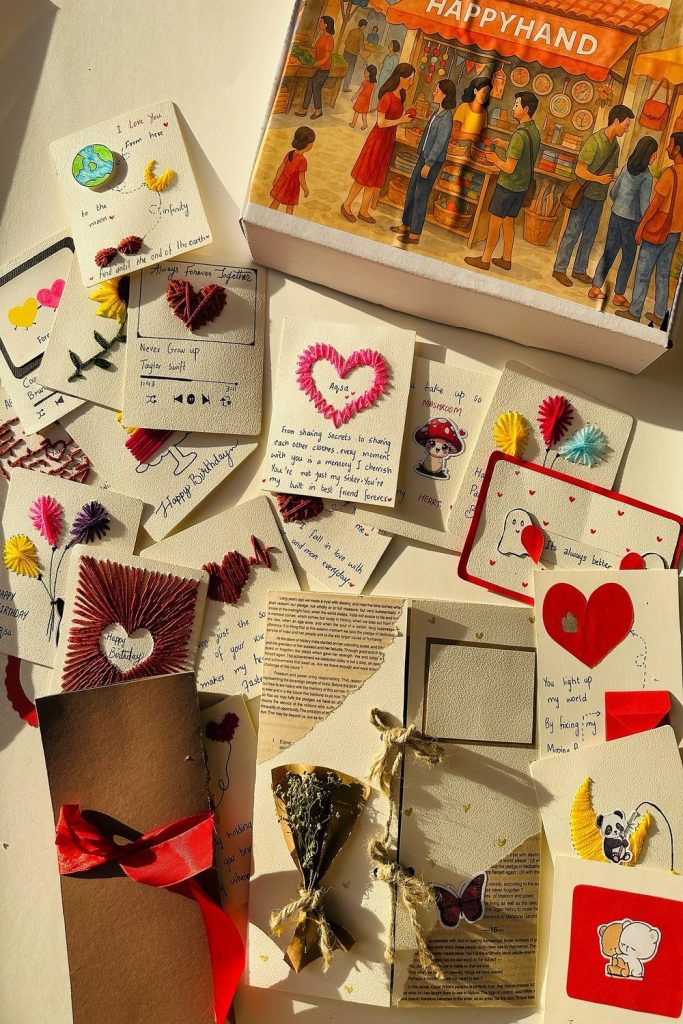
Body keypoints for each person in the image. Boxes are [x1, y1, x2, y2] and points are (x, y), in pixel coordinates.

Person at [553, 104, 634, 287]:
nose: (626, 129)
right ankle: (559, 269)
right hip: (584, 195)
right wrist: (599, 179)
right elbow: (579, 170)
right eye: (626, 125)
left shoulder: (616, 146)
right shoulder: (594, 141)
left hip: (599, 198)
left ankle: (579, 269)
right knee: (573, 232)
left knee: (589, 234)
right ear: (616, 121)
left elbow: (610, 171)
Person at [464, 91, 539, 272]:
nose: (513, 108)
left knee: (494, 223)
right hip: (521, 188)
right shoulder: (533, 131)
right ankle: (506, 259)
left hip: (507, 186)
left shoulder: (520, 135)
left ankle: (485, 259)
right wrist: (505, 143)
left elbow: (509, 167)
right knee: (509, 222)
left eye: (516, 105)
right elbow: (522, 151)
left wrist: (495, 159)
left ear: (525, 109)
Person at [617, 131, 683, 326]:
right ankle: (660, 314)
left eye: (670, 145)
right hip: (675, 232)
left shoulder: (670, 173)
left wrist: (641, 226)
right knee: (662, 273)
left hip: (658, 229)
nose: (667, 148)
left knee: (643, 272)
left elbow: (655, 204)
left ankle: (635, 311)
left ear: (678, 149)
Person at [341, 62, 416, 224]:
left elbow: (395, 118)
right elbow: (381, 123)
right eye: (410, 79)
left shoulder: (401, 96)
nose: (411, 82)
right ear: (401, 78)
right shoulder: (387, 97)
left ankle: (363, 210)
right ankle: (346, 205)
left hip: (387, 141)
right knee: (364, 175)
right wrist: (401, 120)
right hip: (378, 140)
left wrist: (404, 118)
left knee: (374, 178)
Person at [588, 136, 657, 307]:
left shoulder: (626, 168)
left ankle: (595, 288)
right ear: (647, 154)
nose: (655, 156)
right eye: (654, 153)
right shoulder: (647, 177)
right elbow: (644, 207)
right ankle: (618, 296)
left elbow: (613, 193)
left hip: (616, 215)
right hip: (631, 222)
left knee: (609, 252)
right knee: (627, 258)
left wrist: (621, 204)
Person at [390, 79, 458, 245]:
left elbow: (440, 143)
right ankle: (406, 225)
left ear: (445, 95)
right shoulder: (436, 113)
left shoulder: (447, 117)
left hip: (431, 162)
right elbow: (429, 136)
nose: (434, 93)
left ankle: (415, 234)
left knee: (421, 195)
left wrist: (429, 163)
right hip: (423, 158)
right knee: (412, 191)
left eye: (437, 91)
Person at [294, 16, 335, 121]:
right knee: (310, 85)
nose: (319, 23)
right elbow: (317, 49)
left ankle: (318, 110)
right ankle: (304, 109)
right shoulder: (322, 35)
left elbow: (326, 58)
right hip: (317, 67)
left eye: (321, 22)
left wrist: (315, 64)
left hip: (324, 68)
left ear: (326, 25)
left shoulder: (329, 39)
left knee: (316, 86)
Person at [269, 126, 315, 214]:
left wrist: (276, 179)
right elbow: (301, 178)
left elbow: (281, 167)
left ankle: (267, 215)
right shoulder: (302, 160)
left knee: (276, 202)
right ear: (309, 145)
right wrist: (305, 189)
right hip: (292, 188)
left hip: (283, 183)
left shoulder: (290, 153)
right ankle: (287, 221)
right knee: (290, 207)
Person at [452, 76, 491, 141]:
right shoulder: (463, 107)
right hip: (459, 144)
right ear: (475, 91)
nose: (485, 96)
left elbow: (483, 135)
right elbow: (454, 133)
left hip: (473, 146)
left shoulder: (484, 112)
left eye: (488, 93)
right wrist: (471, 136)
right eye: (484, 92)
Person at [342, 18, 367, 93]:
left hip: (346, 52)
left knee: (343, 69)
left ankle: (338, 85)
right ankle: (345, 88)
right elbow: (360, 49)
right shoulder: (361, 34)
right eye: (365, 26)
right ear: (363, 26)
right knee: (350, 71)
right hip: (353, 55)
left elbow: (346, 42)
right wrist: (365, 59)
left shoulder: (352, 31)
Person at [350, 65, 377, 130]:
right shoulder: (373, 84)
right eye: (365, 71)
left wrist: (354, 97)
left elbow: (359, 91)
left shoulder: (365, 82)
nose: (364, 72)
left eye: (367, 72)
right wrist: (369, 105)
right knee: (364, 113)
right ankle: (365, 124)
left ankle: (353, 123)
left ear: (371, 74)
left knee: (357, 112)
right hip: (365, 100)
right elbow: (371, 96)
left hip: (361, 100)